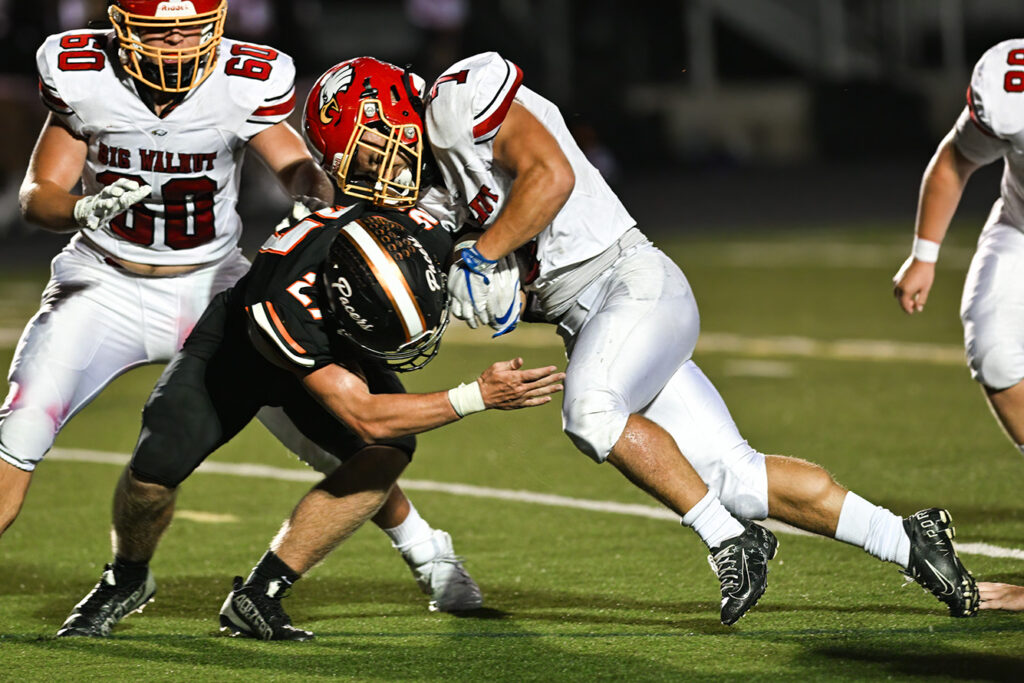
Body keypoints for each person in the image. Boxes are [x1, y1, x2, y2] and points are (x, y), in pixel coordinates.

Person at [305, 55, 981, 624]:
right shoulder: (429, 193)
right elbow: (520, 268)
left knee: (591, 411)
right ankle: (909, 540)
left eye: (363, 148)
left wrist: (484, 255)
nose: (368, 171)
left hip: (634, 282)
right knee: (736, 475)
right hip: (594, 318)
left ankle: (730, 540)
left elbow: (551, 177)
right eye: (352, 166)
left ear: (387, 107)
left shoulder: (458, 98)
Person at [3, 0, 485, 615]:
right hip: (105, 286)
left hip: (216, 288)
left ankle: (428, 553)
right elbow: (37, 194)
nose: (176, 46)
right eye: (160, 31)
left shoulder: (240, 78)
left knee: (344, 439)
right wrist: (78, 209)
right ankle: (128, 576)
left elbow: (299, 169)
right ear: (122, 26)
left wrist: (310, 199)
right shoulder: (82, 71)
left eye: (190, 30)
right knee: (17, 434)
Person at [57, 202, 565, 640]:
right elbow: (366, 417)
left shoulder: (418, 231)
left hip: (337, 339)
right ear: (348, 305)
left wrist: (508, 280)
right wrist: (477, 395)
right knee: (153, 474)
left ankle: (260, 595)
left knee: (386, 457)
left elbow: (487, 242)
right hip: (243, 356)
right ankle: (126, 577)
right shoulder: (283, 306)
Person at [893, 38, 1024, 461]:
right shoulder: (1012, 88)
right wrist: (924, 255)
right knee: (994, 349)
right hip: (1021, 228)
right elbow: (955, 161)